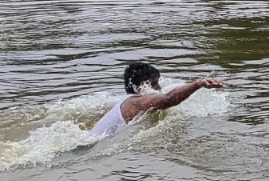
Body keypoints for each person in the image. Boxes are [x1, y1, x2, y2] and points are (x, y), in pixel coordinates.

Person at [90, 60, 224, 140]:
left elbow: (172, 89)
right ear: (138, 88)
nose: (159, 87)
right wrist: (197, 84)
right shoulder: (136, 102)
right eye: (154, 83)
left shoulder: (126, 101)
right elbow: (169, 99)